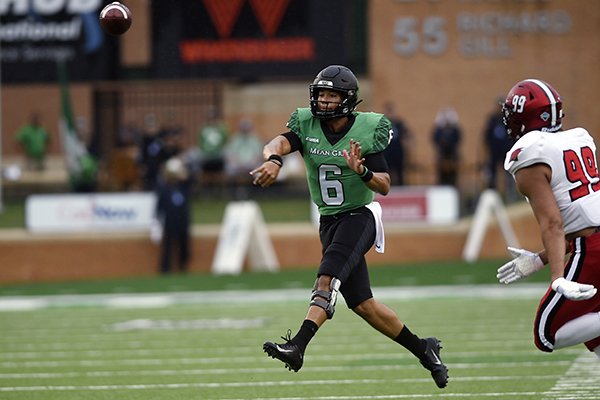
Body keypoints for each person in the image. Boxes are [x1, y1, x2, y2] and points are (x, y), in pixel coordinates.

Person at [250, 65, 449, 388]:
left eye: (332, 96)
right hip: (328, 222)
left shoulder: (368, 128)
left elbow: (384, 185)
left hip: (360, 216)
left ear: (348, 99)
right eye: (322, 94)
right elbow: (276, 143)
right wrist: (274, 160)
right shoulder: (306, 124)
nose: (325, 101)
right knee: (364, 306)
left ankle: (298, 345)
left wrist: (363, 172)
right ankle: (424, 349)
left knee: (327, 279)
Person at [496, 79, 600, 358]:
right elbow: (584, 219)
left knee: (547, 333)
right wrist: (539, 259)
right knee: (592, 335)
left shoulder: (529, 153)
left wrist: (557, 276)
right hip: (592, 243)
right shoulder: (578, 138)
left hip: (592, 250)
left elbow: (554, 222)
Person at [155, 157, 192, 274]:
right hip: (170, 221)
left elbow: (188, 178)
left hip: (183, 220)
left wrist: (181, 168)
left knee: (184, 245)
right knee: (167, 247)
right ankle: (165, 269)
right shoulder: (164, 188)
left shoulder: (183, 186)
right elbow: (159, 207)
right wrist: (156, 223)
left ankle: (183, 266)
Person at [483, 98, 515, 199]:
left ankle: (511, 196)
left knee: (508, 173)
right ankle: (494, 195)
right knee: (493, 174)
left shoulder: (509, 119)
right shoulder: (492, 119)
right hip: (494, 151)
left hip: (507, 151)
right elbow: (487, 136)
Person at [224, 118, 263, 198]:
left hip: (251, 164)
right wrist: (238, 163)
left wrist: (250, 163)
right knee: (230, 168)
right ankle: (234, 192)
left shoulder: (255, 139)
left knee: (258, 169)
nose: (245, 130)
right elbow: (230, 154)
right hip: (238, 164)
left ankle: (255, 192)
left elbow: (258, 155)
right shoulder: (235, 139)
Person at [382, 102, 411, 186]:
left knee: (399, 170)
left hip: (397, 150)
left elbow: (405, 134)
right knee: (388, 170)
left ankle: (401, 185)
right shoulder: (383, 124)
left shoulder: (399, 123)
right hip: (387, 150)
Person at [431, 107, 462, 186]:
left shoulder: (455, 130)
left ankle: (453, 185)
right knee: (441, 175)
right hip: (442, 155)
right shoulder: (438, 130)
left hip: (452, 155)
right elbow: (435, 139)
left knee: (453, 175)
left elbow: (458, 140)